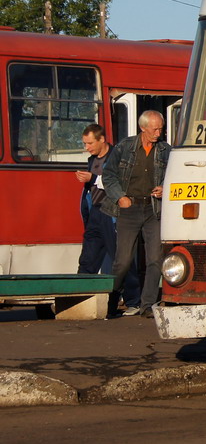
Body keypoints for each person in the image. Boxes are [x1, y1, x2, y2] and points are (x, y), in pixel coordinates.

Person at [103, 111, 170, 318]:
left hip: (153, 209)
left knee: (155, 259)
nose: (158, 133)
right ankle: (111, 301)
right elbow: (108, 175)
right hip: (128, 208)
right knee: (122, 261)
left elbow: (175, 176)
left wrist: (163, 187)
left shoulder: (166, 150)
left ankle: (148, 304)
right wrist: (120, 197)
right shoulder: (125, 147)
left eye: (161, 128)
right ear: (143, 128)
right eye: (155, 129)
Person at [75, 124, 143, 309]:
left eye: (90, 143)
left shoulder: (118, 157)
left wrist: (93, 178)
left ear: (102, 139)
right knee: (88, 258)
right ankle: (80, 298)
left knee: (120, 259)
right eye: (85, 143)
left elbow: (119, 183)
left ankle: (132, 301)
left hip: (113, 213)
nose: (87, 147)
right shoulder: (92, 160)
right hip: (95, 214)